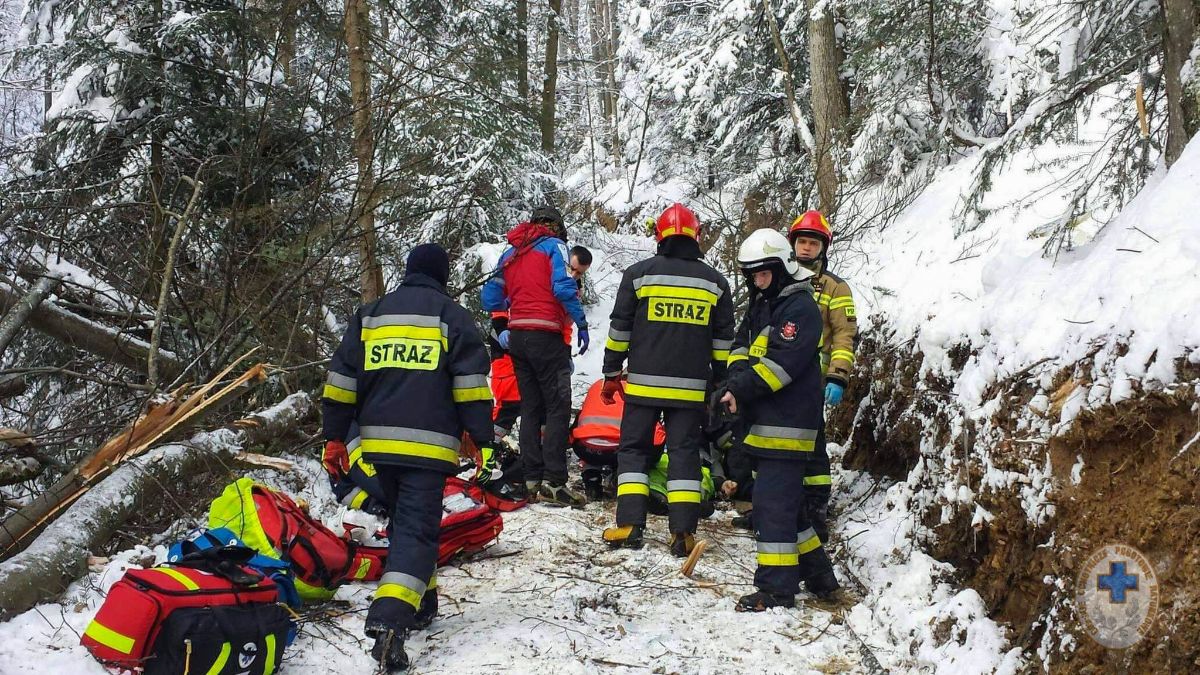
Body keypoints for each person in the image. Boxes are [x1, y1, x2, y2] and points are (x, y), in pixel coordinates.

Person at [321, 243, 495, 671]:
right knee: (417, 530)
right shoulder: (451, 317)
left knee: (408, 523)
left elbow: (342, 381)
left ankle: (423, 602)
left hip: (378, 447)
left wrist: (334, 437)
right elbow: (471, 386)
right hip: (428, 448)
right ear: (443, 276)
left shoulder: (372, 315)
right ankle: (389, 621)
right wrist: (481, 437)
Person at [718, 228, 842, 612]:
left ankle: (775, 589)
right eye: (751, 274)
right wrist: (736, 381)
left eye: (763, 273)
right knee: (790, 509)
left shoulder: (799, 308)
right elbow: (741, 346)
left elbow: (780, 365)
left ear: (781, 268)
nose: (756, 280)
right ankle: (820, 577)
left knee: (771, 509)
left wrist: (740, 390)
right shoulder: (764, 303)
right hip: (767, 423)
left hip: (786, 427)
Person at [601, 203, 735, 557]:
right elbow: (723, 344)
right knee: (685, 455)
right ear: (697, 236)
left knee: (633, 451)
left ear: (658, 236)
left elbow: (619, 332)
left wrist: (612, 374)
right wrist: (720, 384)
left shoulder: (638, 275)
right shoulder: (715, 283)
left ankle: (630, 525)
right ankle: (683, 535)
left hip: (642, 386)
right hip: (691, 392)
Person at [481, 206, 590, 507]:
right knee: (557, 407)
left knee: (530, 407)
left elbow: (490, 297)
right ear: (556, 227)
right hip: (547, 336)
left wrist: (517, 304)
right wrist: (580, 322)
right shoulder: (555, 247)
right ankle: (554, 482)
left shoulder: (511, 253)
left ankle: (531, 479)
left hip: (517, 337)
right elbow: (563, 287)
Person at [787, 210, 857, 543]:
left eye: (812, 243)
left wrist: (837, 376)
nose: (806, 248)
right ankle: (773, 508)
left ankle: (815, 514)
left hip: (813, 379)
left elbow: (844, 334)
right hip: (776, 377)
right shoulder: (780, 278)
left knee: (813, 445)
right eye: (801, 241)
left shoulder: (835, 287)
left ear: (822, 248)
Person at [570, 375, 666, 499]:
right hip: (620, 451)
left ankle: (591, 476)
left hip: (585, 449)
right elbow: (656, 436)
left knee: (593, 438)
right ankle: (625, 476)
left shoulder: (599, 384)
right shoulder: (640, 390)